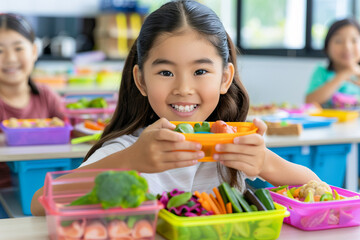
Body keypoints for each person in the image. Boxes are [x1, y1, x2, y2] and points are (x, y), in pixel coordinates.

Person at [31, 0, 319, 216]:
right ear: (141, 80)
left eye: (200, 72)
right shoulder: (131, 148)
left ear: (225, 78)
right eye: (166, 73)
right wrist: (131, 160)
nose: (183, 88)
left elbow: (319, 190)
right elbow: (40, 203)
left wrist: (265, 162)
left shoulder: (231, 144)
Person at [0, 14, 65, 188]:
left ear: (34, 52)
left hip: (42, 190)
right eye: (0, 50)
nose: (10, 59)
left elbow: (70, 132)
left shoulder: (47, 96)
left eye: (18, 48)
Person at [305, 18, 360, 107]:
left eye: (354, 40)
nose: (347, 47)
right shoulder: (322, 71)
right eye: (338, 41)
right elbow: (309, 102)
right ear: (327, 47)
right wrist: (343, 75)